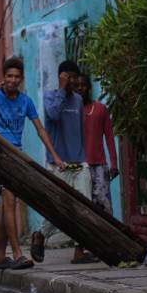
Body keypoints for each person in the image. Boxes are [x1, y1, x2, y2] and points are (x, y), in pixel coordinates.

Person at [0, 56, 64, 271]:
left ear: (21, 79)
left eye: (17, 77)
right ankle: (17, 253)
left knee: (6, 207)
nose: (13, 80)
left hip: (16, 154)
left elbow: (40, 129)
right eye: (9, 76)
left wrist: (54, 155)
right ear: (3, 78)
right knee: (10, 202)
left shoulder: (26, 101)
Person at [36, 60, 95, 264]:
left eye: (74, 77)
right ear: (61, 77)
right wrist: (61, 90)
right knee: (58, 208)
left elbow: (79, 130)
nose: (71, 81)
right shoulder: (49, 97)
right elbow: (53, 116)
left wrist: (84, 157)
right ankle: (41, 235)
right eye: (67, 77)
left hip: (79, 162)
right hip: (58, 164)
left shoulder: (78, 100)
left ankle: (80, 251)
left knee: (84, 207)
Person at [77, 75, 119, 215]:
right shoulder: (71, 111)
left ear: (89, 87)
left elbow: (109, 137)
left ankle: (108, 236)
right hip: (79, 167)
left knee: (104, 206)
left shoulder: (101, 109)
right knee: (85, 206)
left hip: (99, 165)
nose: (79, 88)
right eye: (76, 85)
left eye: (83, 85)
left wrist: (114, 164)